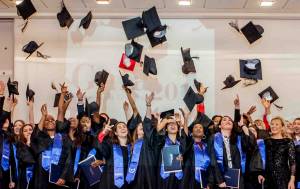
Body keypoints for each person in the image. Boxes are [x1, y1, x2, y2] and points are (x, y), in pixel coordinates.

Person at [208, 115, 252, 189]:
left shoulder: (237, 139)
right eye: (224, 120)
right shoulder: (213, 138)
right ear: (219, 126)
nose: (228, 121)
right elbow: (213, 160)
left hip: (237, 178)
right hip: (220, 178)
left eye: (230, 120)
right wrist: (220, 180)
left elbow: (249, 144)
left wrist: (243, 126)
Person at [258, 116, 296, 189]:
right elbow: (261, 160)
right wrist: (260, 173)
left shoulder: (288, 141)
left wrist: (292, 180)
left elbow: (292, 162)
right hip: (268, 178)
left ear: (282, 127)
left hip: (283, 178)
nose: (273, 126)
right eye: (272, 124)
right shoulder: (265, 141)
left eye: (277, 124)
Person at [95, 120, 131, 189]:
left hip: (128, 183)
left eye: (124, 127)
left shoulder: (133, 148)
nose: (123, 128)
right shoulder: (109, 145)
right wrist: (103, 133)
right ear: (115, 133)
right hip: (110, 182)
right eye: (119, 127)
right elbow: (99, 147)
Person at [16, 124, 35, 189]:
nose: (28, 132)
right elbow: (28, 159)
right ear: (22, 134)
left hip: (38, 175)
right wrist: (28, 143)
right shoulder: (19, 145)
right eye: (25, 131)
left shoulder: (38, 145)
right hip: (25, 175)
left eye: (30, 130)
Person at [293, 118, 300, 188]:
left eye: (298, 124)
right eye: (294, 124)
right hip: (291, 175)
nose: (296, 126)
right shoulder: (289, 139)